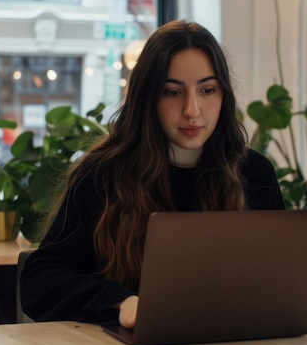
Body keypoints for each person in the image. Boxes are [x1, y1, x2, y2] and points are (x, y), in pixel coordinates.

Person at [20, 19, 285, 328]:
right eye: (173, 92)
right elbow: (40, 280)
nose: (192, 109)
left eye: (207, 90)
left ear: (223, 95)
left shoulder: (254, 172)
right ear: (148, 98)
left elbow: (280, 276)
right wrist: (120, 302)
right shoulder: (103, 173)